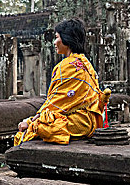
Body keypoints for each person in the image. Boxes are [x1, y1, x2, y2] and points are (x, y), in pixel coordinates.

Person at [14, 18, 110, 146]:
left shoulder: (65, 66)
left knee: (28, 132)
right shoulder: (86, 63)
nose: (54, 42)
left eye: (57, 37)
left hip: (76, 124)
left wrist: (31, 121)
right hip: (90, 121)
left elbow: (55, 102)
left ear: (67, 39)